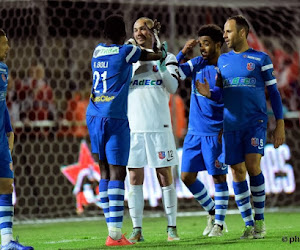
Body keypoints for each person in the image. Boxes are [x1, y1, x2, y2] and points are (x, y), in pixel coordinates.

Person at [196, 15, 285, 239]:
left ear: (242, 33)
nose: (224, 36)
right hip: (231, 124)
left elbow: (273, 93)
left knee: (253, 165)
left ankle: (260, 221)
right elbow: (221, 93)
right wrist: (210, 94)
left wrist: (280, 123)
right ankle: (248, 224)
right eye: (224, 32)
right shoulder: (223, 61)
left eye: (228, 31)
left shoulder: (260, 59)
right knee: (236, 171)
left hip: (255, 122)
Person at [85, 15, 163, 247]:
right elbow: (156, 54)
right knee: (118, 172)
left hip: (93, 114)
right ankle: (116, 235)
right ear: (122, 33)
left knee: (104, 172)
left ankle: (112, 232)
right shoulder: (125, 52)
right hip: (115, 117)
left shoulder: (97, 51)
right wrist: (155, 34)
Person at [126, 17, 180, 242]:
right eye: (136, 29)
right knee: (134, 177)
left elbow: (174, 87)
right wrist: (133, 59)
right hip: (134, 128)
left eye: (144, 28)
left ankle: (172, 228)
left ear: (153, 31)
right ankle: (137, 230)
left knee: (164, 176)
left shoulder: (168, 57)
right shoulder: (128, 59)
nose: (139, 33)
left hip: (160, 127)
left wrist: (161, 68)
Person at [176, 24, 229, 237]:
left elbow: (232, 99)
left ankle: (219, 224)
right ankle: (213, 211)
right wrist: (182, 53)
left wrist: (212, 96)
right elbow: (176, 74)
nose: (203, 49)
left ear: (218, 44)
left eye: (206, 44)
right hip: (194, 132)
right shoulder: (197, 63)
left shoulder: (226, 67)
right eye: (201, 45)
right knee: (186, 176)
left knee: (218, 179)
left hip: (215, 132)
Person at [0, 29, 34, 249]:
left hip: (1, 139)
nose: (8, 48)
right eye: (4, 44)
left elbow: (1, 103)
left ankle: (6, 242)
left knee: (6, 186)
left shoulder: (3, 69)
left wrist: (9, 129)